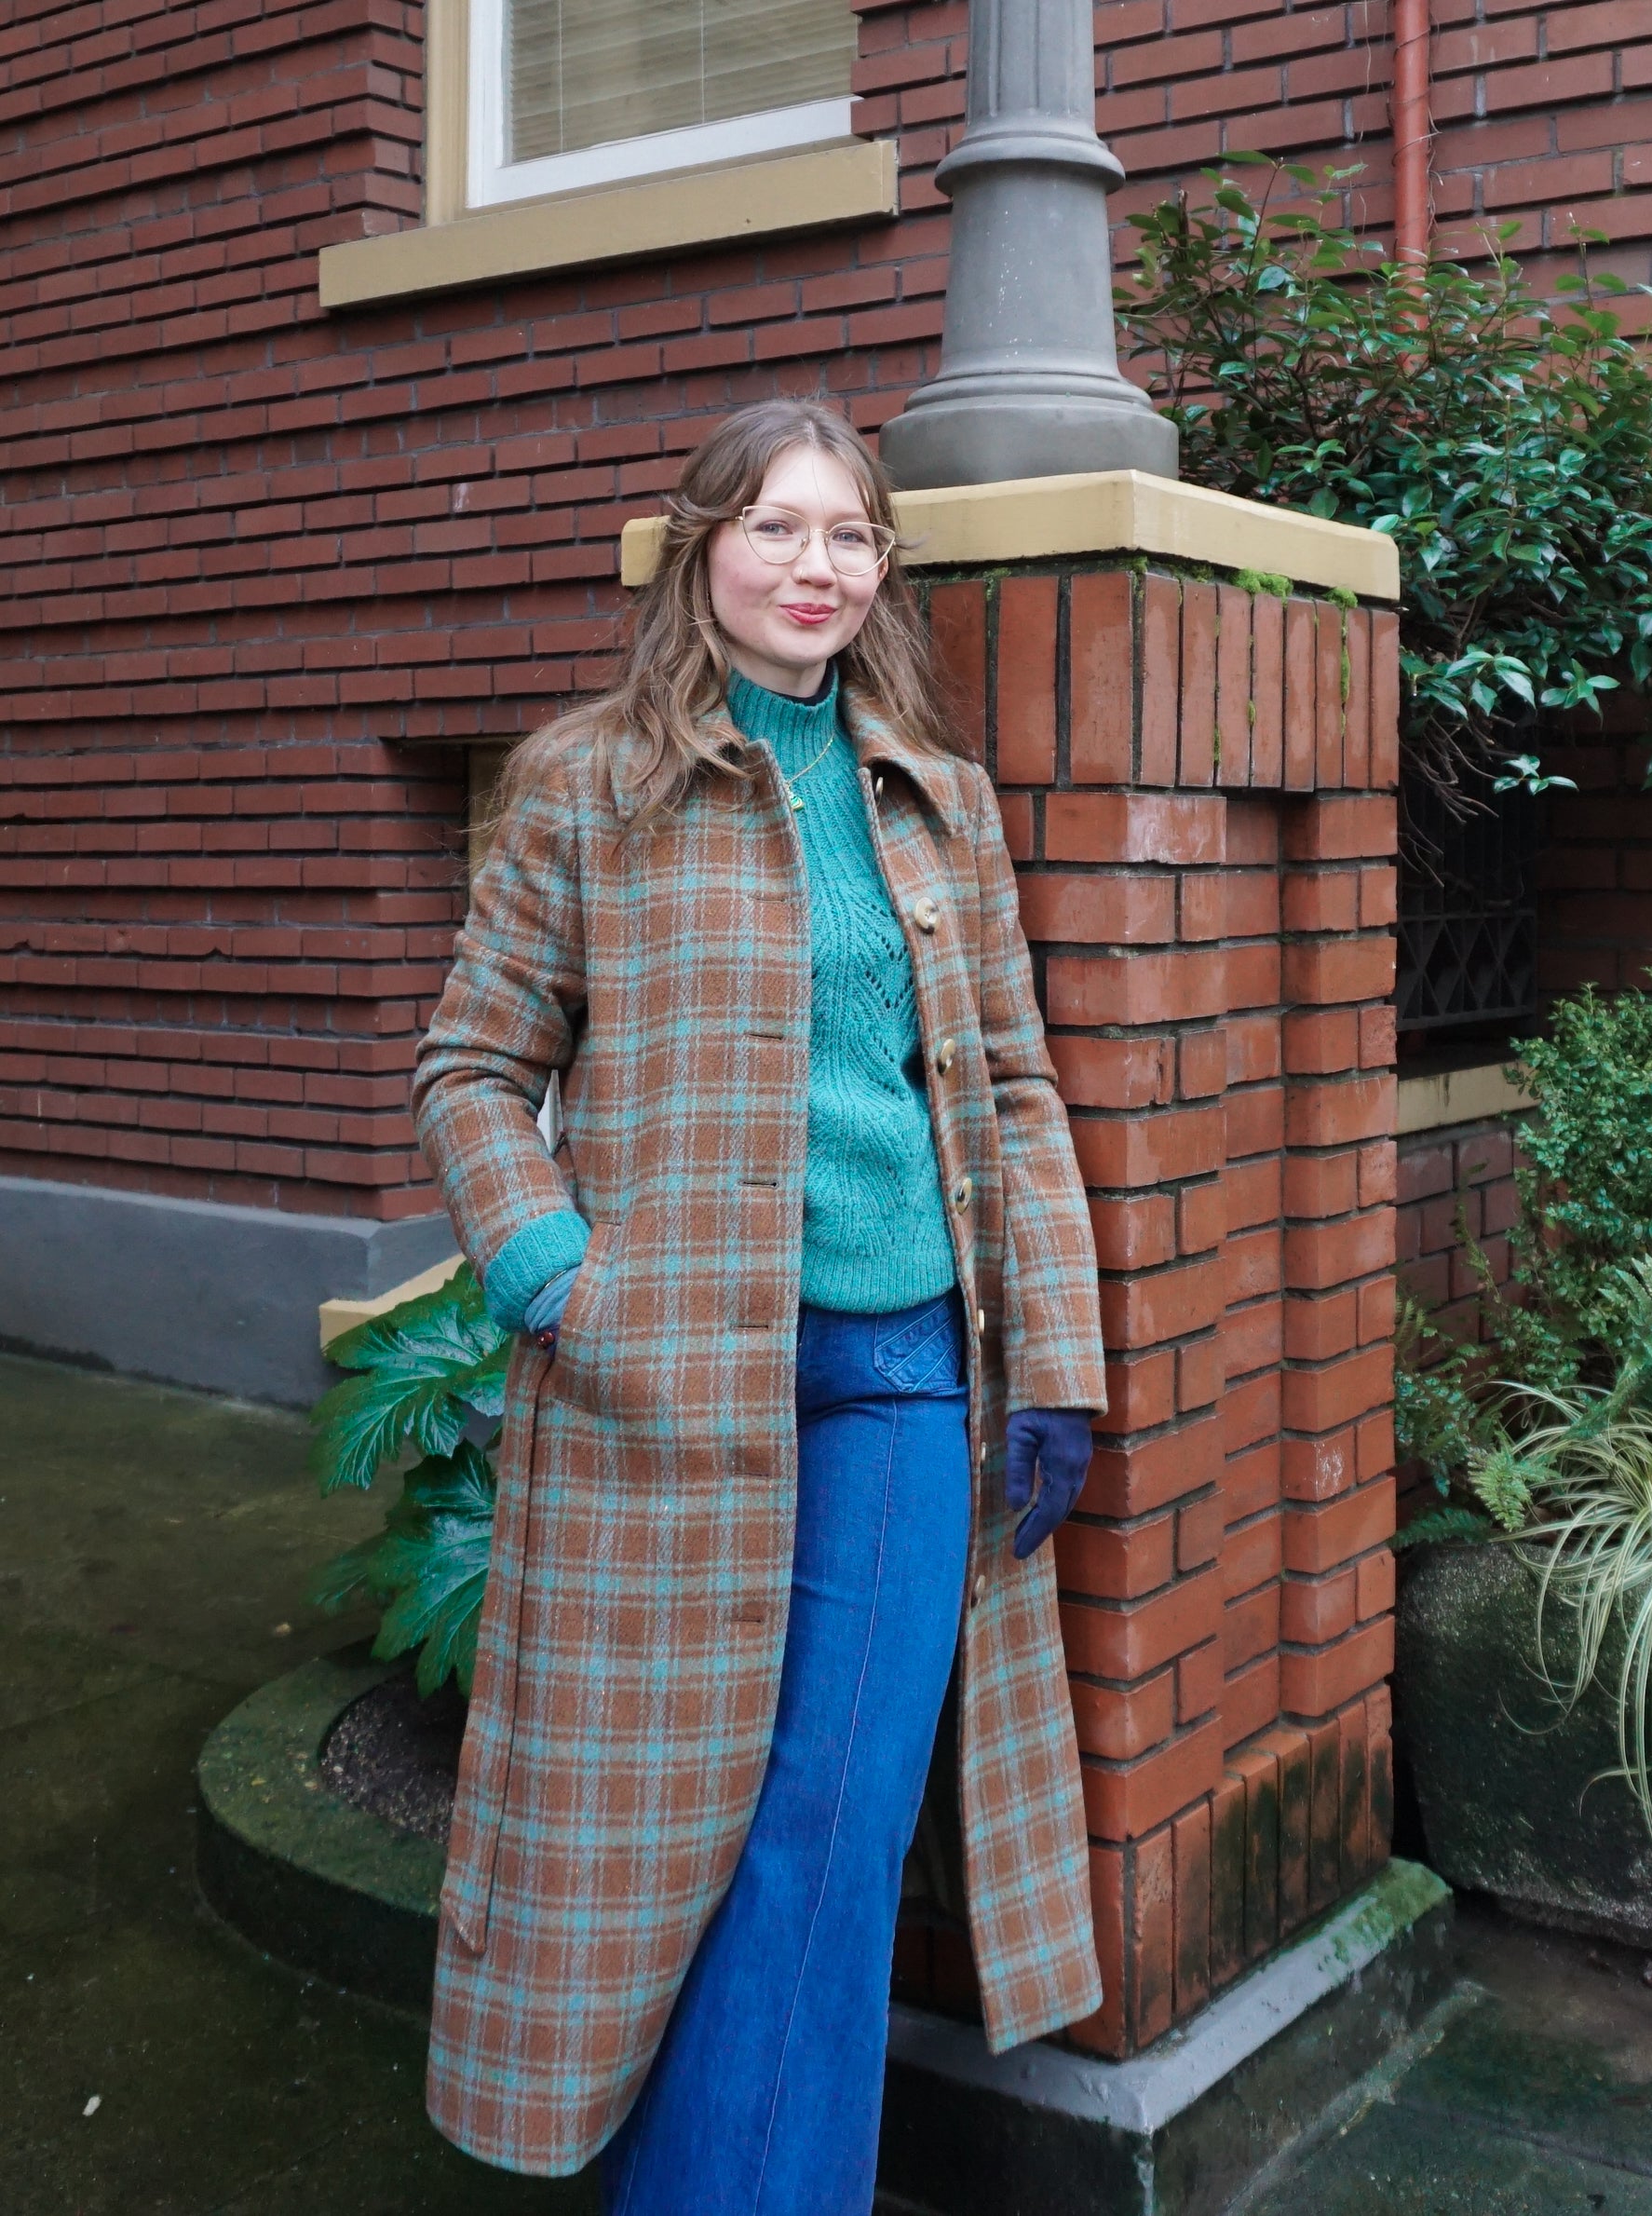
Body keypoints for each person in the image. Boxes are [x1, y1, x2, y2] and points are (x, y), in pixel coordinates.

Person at [411, 396, 1107, 2212]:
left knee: (829, 1833)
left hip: (900, 1373)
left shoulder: (937, 800)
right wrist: (561, 1283)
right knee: (671, 1829)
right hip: (663, 1389)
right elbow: (474, 1068)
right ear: (701, 546)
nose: (817, 565)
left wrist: (1057, 1360)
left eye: (851, 533)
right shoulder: (587, 781)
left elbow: (1014, 1084)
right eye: (777, 526)